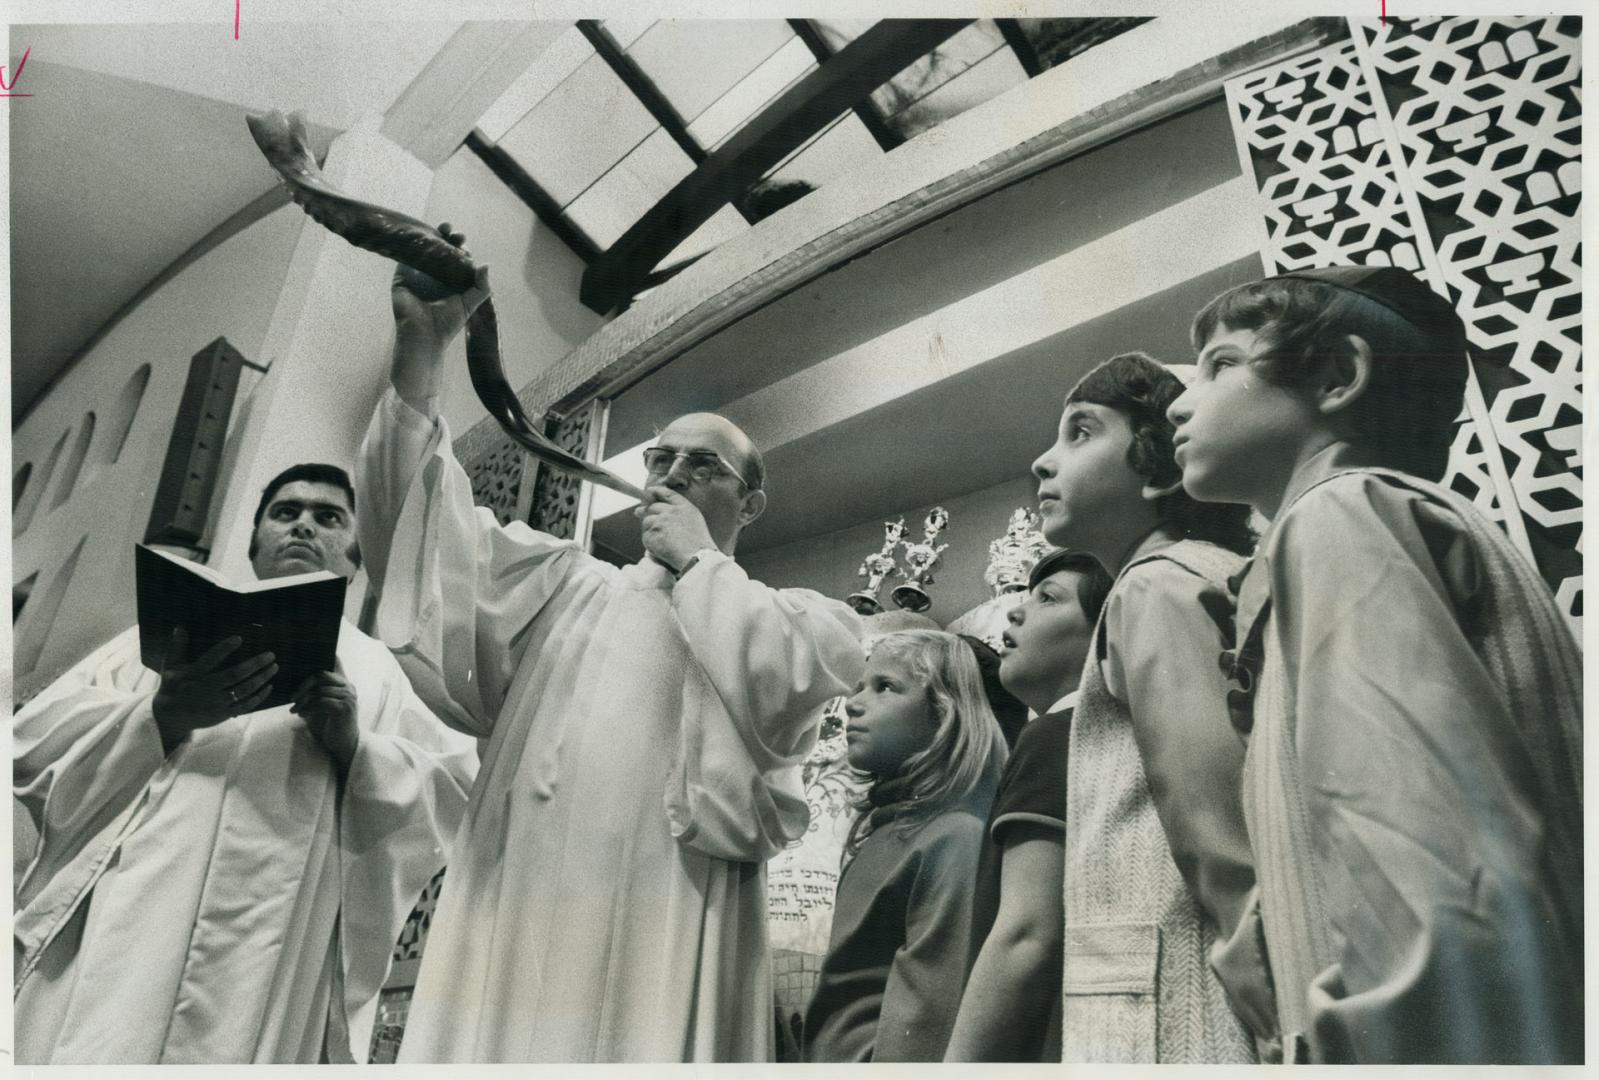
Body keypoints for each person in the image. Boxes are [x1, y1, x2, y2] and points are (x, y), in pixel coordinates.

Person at [357, 227, 865, 1063]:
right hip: (521, 896)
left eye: (702, 466)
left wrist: (698, 558)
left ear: (752, 504)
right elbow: (420, 541)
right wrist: (421, 347)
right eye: (661, 458)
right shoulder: (562, 583)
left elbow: (791, 678)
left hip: (664, 907)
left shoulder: (795, 615)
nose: (670, 474)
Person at [1167, 265, 1583, 1064]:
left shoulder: (1338, 516)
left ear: (1335, 375)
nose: (1180, 401)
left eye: (1220, 365)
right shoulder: (1408, 515)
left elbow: (1433, 896)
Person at [14, 463, 476, 1064]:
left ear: (354, 558)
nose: (304, 526)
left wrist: (357, 747)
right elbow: (29, 741)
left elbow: (453, 793)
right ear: (255, 542)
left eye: (328, 517)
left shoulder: (379, 671)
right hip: (129, 917)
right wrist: (159, 715)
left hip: (273, 946)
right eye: (286, 513)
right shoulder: (148, 642)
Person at [1030, 352, 1276, 1062]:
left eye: (1080, 432)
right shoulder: (1206, 574)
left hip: (1186, 991)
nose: (1044, 463)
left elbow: (1212, 813)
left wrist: (1260, 973)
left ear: (1163, 468)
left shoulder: (1154, 585)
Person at [802, 630, 1009, 1062]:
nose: (853, 703)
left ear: (944, 714)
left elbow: (931, 1015)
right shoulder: (885, 831)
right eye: (859, 686)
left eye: (885, 687)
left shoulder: (955, 838)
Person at [945, 548, 1111, 1061]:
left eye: (1048, 599)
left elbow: (1026, 934)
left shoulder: (1055, 734)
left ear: (1105, 632)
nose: (1016, 611)